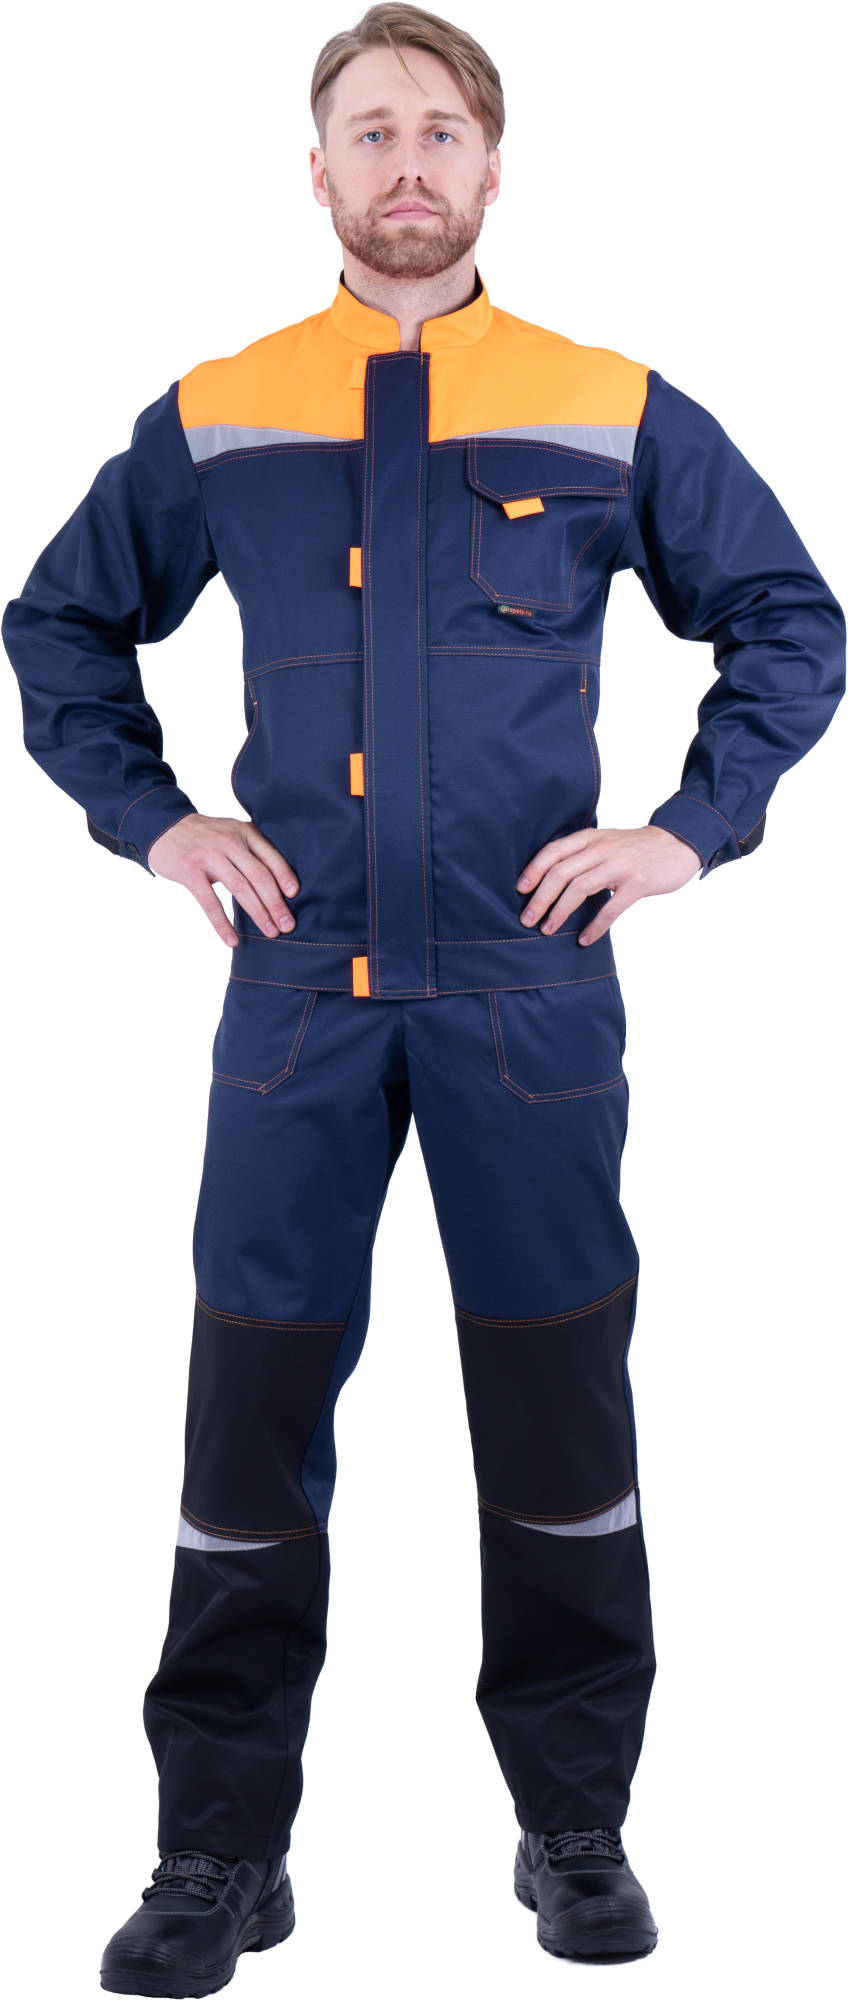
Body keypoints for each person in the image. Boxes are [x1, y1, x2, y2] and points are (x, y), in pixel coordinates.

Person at [3, 3, 844, 1985]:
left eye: (440, 132)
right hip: (293, 989)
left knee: (559, 1416)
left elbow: (786, 618)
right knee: (247, 1425)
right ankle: (217, 1854)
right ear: (317, 174)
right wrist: (157, 824)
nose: (406, 164)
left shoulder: (607, 401)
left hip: (527, 991)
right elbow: (59, 624)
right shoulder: (222, 407)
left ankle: (576, 1825)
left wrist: (688, 831)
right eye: (370, 131)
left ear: (493, 171)